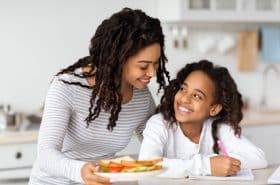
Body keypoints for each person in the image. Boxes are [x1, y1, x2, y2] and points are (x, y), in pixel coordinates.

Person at [29, 7, 170, 185]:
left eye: (156, 64)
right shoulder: (67, 87)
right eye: (143, 66)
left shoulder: (141, 96)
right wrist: (80, 172)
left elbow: (155, 142)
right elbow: (45, 154)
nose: (151, 73)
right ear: (118, 58)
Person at [139, 60, 267, 178]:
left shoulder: (218, 128)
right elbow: (147, 165)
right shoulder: (159, 124)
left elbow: (259, 158)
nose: (184, 99)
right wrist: (207, 166)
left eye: (197, 96)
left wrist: (222, 164)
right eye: (183, 89)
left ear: (214, 109)